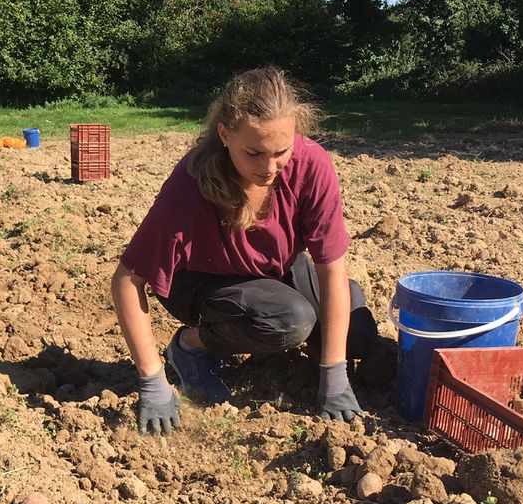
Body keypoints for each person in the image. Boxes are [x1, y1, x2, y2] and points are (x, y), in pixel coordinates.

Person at [111, 66, 378, 436]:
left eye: (280, 152)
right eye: (253, 153)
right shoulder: (190, 185)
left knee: (357, 330)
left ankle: (303, 350)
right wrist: (152, 381)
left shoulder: (312, 165)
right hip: (205, 280)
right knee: (291, 319)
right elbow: (127, 280)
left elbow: (331, 266)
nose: (269, 168)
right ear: (225, 134)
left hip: (272, 268)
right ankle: (189, 347)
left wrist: (334, 375)